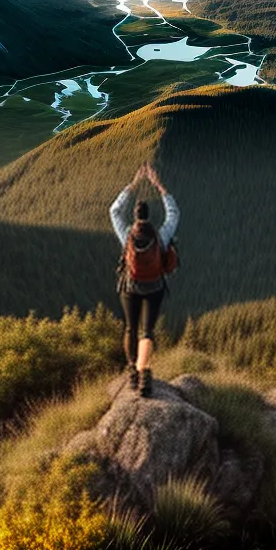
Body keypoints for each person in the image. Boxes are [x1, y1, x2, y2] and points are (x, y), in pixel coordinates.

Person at [110, 161, 179, 397]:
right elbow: (174, 213)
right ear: (149, 216)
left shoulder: (127, 234)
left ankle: (132, 372)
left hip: (130, 285)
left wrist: (133, 184)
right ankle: (144, 373)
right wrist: (159, 186)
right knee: (146, 331)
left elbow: (114, 211)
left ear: (135, 215)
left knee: (130, 327)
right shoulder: (161, 236)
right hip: (155, 286)